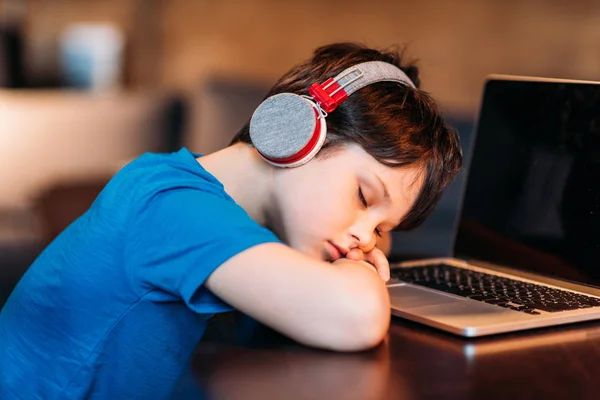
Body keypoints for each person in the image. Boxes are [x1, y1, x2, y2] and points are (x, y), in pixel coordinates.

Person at [0, 42, 462, 399]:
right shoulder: (172, 203)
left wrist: (367, 237)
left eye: (383, 229)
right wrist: (359, 270)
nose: (365, 238)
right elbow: (354, 319)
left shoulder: (250, 223)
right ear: (296, 131)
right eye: (363, 196)